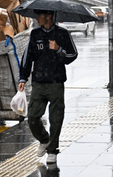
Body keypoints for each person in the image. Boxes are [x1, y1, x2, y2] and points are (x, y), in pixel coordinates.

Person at [18, 10, 78, 164]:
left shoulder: (62, 34)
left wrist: (58, 49)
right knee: (32, 117)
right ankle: (44, 140)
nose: (37, 18)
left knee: (56, 119)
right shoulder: (35, 34)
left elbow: (73, 55)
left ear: (48, 16)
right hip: (38, 82)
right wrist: (23, 77)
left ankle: (53, 150)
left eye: (39, 16)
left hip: (56, 83)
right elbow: (27, 56)